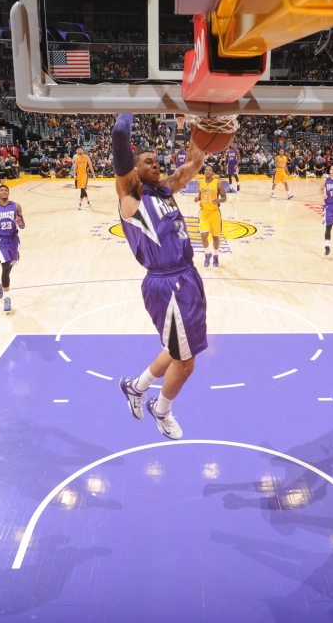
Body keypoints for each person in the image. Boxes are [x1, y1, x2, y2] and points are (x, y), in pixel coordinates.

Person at [113, 112, 217, 441]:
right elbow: (119, 137)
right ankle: (162, 410)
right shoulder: (131, 196)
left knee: (176, 350)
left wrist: (203, 125)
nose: (155, 164)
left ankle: (137, 386)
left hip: (188, 277)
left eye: (157, 161)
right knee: (186, 363)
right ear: (133, 171)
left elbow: (193, 163)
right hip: (166, 282)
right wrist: (130, 107)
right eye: (148, 161)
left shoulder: (166, 190)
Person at [0, 184, 24, 312]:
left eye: (6, 190)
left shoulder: (16, 206)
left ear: (8, 192)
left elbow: (23, 225)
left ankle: (1, 284)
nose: (4, 192)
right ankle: (7, 298)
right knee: (6, 266)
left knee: (10, 265)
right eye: (1, 190)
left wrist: (20, 223)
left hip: (13, 239)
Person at [195, 165, 227, 267]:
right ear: (204, 172)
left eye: (210, 170)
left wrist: (218, 200)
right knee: (203, 236)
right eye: (206, 170)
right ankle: (207, 254)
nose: (208, 171)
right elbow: (200, 195)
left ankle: (216, 255)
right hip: (204, 213)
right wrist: (198, 198)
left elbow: (224, 197)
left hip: (214, 213)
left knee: (215, 238)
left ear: (213, 172)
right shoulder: (200, 183)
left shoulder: (218, 183)